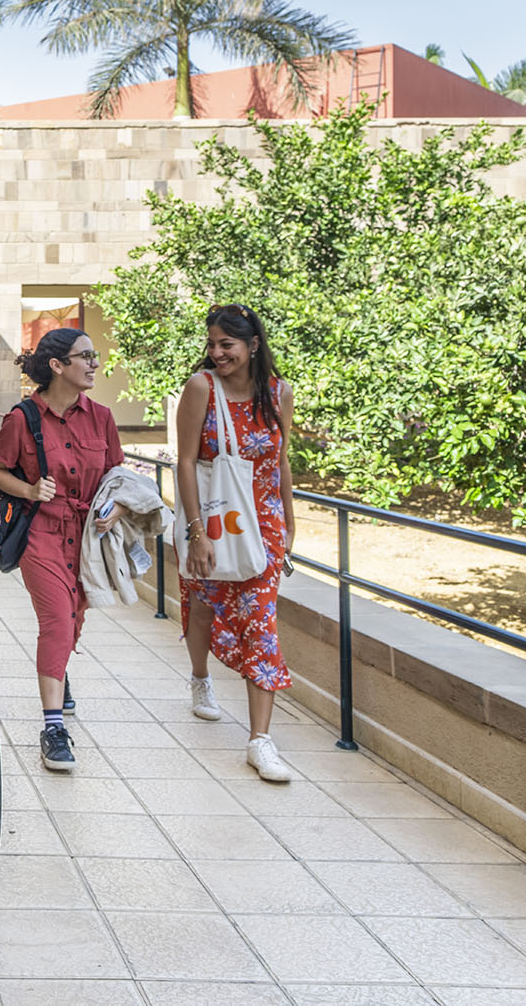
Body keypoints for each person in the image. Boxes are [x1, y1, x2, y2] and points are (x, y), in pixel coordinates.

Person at [0, 327, 123, 772]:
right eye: (86, 356)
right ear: (58, 366)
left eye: (94, 354)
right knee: (58, 621)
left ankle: (58, 675)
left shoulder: (101, 416)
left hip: (87, 536)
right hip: (41, 532)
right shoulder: (23, 418)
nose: (95, 363)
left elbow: (117, 474)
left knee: (76, 615)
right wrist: (28, 488)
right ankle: (53, 728)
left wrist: (117, 507)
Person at [174, 303, 297, 782]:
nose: (217, 352)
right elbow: (186, 461)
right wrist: (196, 532)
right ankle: (201, 679)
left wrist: (289, 518)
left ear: (253, 346)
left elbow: (281, 460)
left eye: (227, 344)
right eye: (211, 344)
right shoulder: (201, 387)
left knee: (262, 625)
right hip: (215, 519)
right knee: (204, 603)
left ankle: (260, 741)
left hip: (263, 527)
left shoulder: (279, 393)